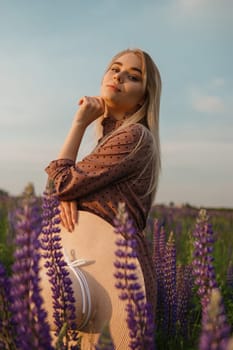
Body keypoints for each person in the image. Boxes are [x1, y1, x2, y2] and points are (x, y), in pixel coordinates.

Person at [44, 48, 162, 349]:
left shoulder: (134, 137)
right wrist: (66, 195)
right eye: (115, 69)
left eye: (133, 76)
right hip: (85, 275)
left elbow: (61, 182)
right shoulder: (106, 142)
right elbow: (55, 191)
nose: (119, 76)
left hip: (116, 278)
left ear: (143, 97)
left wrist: (79, 123)